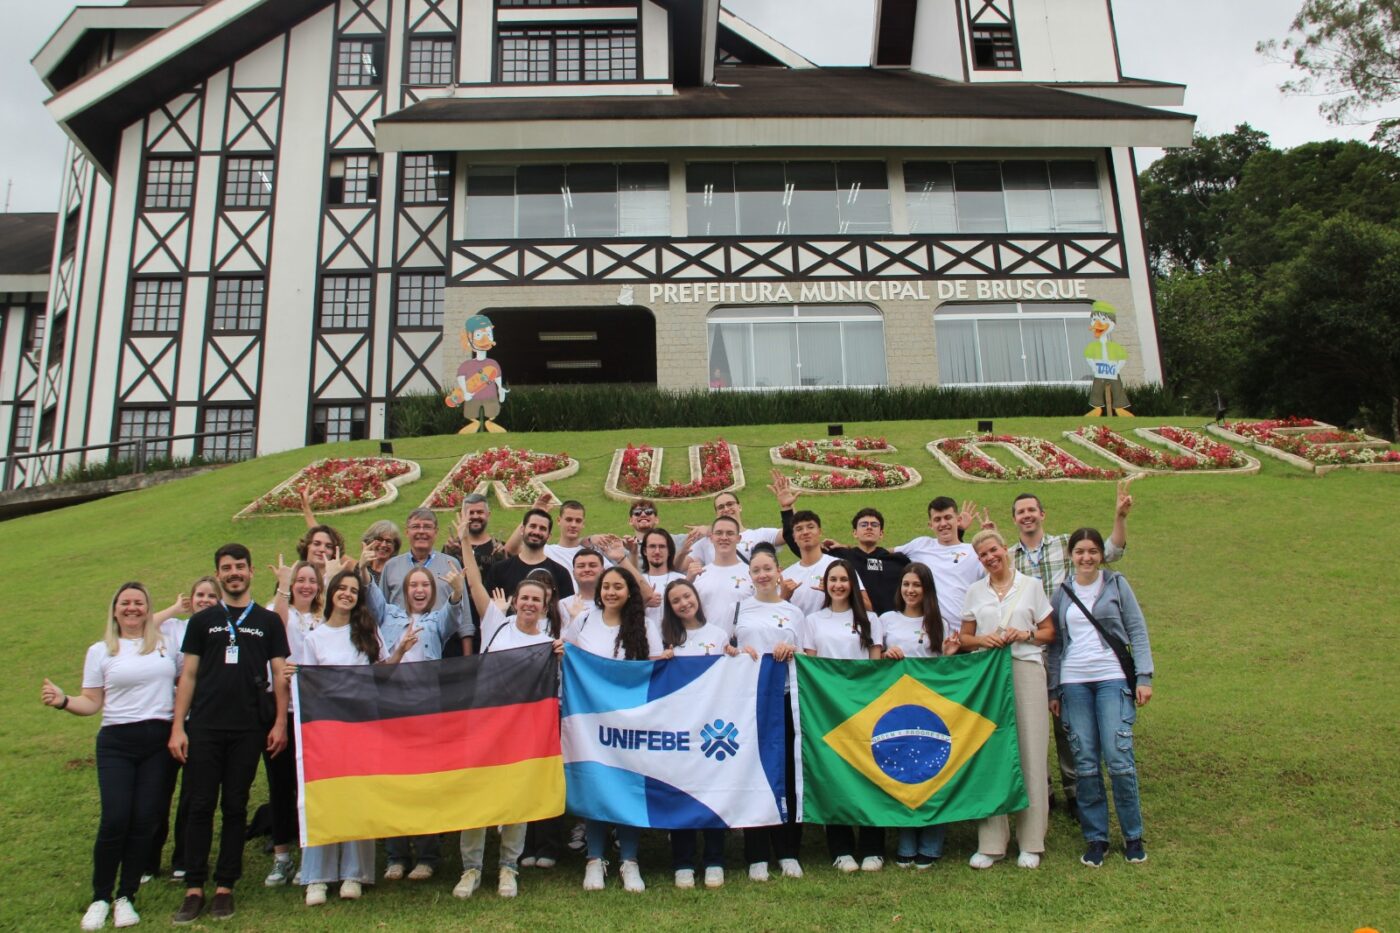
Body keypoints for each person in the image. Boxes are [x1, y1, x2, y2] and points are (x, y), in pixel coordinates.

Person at [42, 582, 179, 932]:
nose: (132, 608)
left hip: (158, 742)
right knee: (115, 818)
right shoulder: (101, 651)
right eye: (125, 603)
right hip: (117, 741)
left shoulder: (166, 644)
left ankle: (125, 897)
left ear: (148, 610)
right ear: (115, 609)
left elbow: (185, 686)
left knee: (145, 820)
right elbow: (91, 701)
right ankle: (101, 897)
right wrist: (63, 701)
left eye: (139, 603)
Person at [168, 544, 290, 924]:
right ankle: (193, 887)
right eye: (226, 568)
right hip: (204, 724)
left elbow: (279, 674)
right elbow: (188, 675)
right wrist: (178, 726)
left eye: (239, 566)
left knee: (235, 806)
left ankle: (225, 886)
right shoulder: (202, 622)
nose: (233, 573)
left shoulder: (268, 622)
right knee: (199, 805)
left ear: (251, 572)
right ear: (218, 574)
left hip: (248, 727)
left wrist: (280, 723)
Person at [1008, 483, 1132, 820]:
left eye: (1032, 510)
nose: (1027, 516)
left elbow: (1112, 551)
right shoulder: (1008, 557)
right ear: (1015, 520)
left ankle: (1076, 790)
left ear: (1042, 514)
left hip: (1066, 646)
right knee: (1030, 723)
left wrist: (1119, 518)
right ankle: (1041, 789)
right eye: (1021, 512)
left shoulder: (1065, 545)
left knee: (1067, 722)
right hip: (1028, 647)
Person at [297, 568, 419, 906]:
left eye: (353, 590)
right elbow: (307, 686)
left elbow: (381, 673)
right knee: (325, 798)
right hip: (327, 730)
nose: (348, 594)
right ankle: (318, 877)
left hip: (363, 726)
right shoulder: (314, 638)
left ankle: (354, 872)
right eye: (342, 588)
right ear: (332, 592)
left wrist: (400, 652)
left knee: (357, 797)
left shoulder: (366, 632)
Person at [453, 555, 565, 899]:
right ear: (515, 601)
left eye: (537, 599)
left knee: (516, 800)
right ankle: (471, 868)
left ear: (546, 607)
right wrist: (467, 547)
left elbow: (555, 691)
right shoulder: (496, 624)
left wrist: (559, 658)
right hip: (485, 726)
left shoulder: (549, 643)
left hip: (523, 733)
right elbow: (473, 583)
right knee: (477, 800)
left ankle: (508, 867)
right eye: (525, 598)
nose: (530, 604)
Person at [1047, 528, 1155, 868]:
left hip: (1112, 678)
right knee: (1086, 762)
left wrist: (1144, 676)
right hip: (1074, 681)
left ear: (1100, 554)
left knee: (1118, 756)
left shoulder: (1116, 584)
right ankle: (1096, 838)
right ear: (1071, 555)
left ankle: (1132, 834)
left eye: (1092, 551)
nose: (1087, 558)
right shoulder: (1062, 592)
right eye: (1080, 551)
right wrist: (1053, 689)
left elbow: (1136, 630)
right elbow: (1055, 645)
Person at [561, 568, 662, 893]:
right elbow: (567, 657)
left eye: (618, 586)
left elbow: (657, 668)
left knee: (628, 785)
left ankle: (629, 860)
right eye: (606, 586)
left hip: (632, 722)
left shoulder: (644, 625)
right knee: (597, 783)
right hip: (591, 723)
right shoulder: (584, 621)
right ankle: (594, 859)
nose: (611, 592)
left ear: (629, 591)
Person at [959, 530, 1054, 871]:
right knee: (991, 753)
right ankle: (992, 842)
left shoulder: (1030, 586)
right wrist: (982, 639)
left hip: (1025, 669)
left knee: (1031, 753)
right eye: (983, 554)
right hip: (988, 676)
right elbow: (964, 638)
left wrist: (1025, 634)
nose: (989, 557)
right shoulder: (975, 591)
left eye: (993, 550)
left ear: (1005, 550)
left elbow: (1048, 631)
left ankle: (1031, 841)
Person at [657, 579, 744, 890]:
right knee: (682, 792)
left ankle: (714, 860)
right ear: (670, 607)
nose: (683, 603)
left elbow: (731, 676)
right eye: (676, 600)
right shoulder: (664, 637)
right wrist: (660, 661)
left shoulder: (717, 635)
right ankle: (682, 862)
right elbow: (650, 676)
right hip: (678, 729)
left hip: (712, 729)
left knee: (712, 794)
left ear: (696, 597)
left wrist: (736, 656)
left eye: (687, 596)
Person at [801, 560, 885, 872]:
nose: (838, 585)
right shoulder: (813, 621)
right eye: (832, 579)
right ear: (825, 584)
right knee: (834, 777)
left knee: (869, 775)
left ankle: (873, 846)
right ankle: (841, 849)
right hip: (827, 710)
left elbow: (875, 666)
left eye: (844, 580)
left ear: (852, 584)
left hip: (863, 707)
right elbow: (810, 667)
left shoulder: (870, 620)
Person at [732, 543, 807, 883]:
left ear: (779, 573)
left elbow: (807, 654)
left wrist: (792, 649)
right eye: (756, 570)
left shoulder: (793, 613)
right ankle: (757, 854)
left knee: (788, 775)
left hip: (786, 698)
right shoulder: (739, 608)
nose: (762, 574)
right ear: (750, 576)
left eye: (768, 568)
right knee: (754, 774)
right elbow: (725, 646)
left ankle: (789, 850)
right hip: (750, 701)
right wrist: (736, 651)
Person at [879, 563, 960, 868]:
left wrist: (949, 655)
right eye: (906, 584)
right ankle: (906, 840)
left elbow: (943, 669)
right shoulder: (887, 620)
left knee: (932, 773)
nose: (910, 590)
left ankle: (932, 842)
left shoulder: (939, 621)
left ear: (926, 589)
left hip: (930, 709)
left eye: (917, 585)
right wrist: (888, 656)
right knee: (903, 772)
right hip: (897, 709)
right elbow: (876, 662)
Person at [148, 576, 220, 882]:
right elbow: (143, 624)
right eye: (200, 595)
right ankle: (148, 860)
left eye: (211, 596)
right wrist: (175, 608)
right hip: (168, 718)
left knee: (193, 795)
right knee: (157, 793)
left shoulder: (220, 630)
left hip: (201, 720)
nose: (205, 600)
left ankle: (183, 859)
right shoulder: (175, 628)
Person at [261, 558, 327, 887]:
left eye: (311, 581)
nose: (306, 586)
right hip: (282, 710)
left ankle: (308, 855)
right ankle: (281, 855)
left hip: (314, 713)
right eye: (300, 580)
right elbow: (276, 630)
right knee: (281, 785)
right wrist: (283, 588)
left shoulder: (323, 616)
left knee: (309, 786)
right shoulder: (276, 609)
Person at [896, 497, 988, 637]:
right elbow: (882, 553)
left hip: (967, 635)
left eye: (948, 517)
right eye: (937, 519)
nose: (943, 523)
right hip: (930, 637)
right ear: (930, 524)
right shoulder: (921, 545)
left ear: (958, 520)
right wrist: (850, 550)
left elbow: (1000, 577)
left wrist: (993, 536)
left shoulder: (973, 551)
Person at [443, 493, 508, 655]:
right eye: (470, 513)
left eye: (479, 512)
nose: (475, 516)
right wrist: (449, 554)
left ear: (488, 515)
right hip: (459, 620)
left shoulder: (498, 547)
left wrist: (503, 559)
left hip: (490, 617)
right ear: (462, 515)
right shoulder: (451, 547)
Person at [814, 506, 910, 615]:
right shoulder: (841, 557)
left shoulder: (897, 560)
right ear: (855, 533)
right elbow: (803, 546)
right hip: (852, 622)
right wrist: (789, 510)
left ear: (881, 533)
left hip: (890, 623)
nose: (869, 527)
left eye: (874, 525)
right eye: (863, 525)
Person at [380, 508, 464, 626]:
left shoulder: (451, 564)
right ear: (407, 532)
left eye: (427, 527)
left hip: (443, 639)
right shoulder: (391, 566)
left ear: (436, 532)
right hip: (400, 639)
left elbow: (464, 615)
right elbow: (380, 610)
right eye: (415, 526)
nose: (421, 531)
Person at [487, 509, 575, 607]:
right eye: (532, 526)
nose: (536, 532)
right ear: (522, 530)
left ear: (549, 536)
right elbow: (490, 612)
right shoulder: (499, 570)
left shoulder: (560, 573)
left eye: (542, 528)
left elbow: (568, 613)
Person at [687, 515, 753, 637]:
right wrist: (688, 582)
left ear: (739, 538)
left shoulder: (752, 574)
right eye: (719, 533)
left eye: (730, 533)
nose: (724, 537)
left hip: (742, 647)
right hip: (707, 646)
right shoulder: (698, 575)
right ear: (711, 538)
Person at [687, 490, 782, 565]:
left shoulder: (760, 535)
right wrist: (683, 549)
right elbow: (677, 565)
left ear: (739, 507)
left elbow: (790, 533)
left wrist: (787, 506)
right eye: (721, 507)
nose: (726, 509)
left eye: (730, 504)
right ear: (716, 513)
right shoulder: (707, 542)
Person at [640, 529, 685, 626]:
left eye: (662, 546)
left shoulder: (682, 580)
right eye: (652, 546)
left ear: (669, 551)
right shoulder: (637, 581)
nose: (657, 551)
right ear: (644, 551)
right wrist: (644, 604)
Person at [558, 548, 604, 626]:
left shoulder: (612, 603)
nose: (587, 569)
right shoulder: (562, 605)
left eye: (592, 565)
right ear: (573, 573)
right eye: (581, 566)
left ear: (603, 571)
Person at [358, 520, 402, 587]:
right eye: (379, 539)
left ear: (395, 547)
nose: (383, 545)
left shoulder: (398, 573)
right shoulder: (360, 568)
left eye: (388, 541)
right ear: (370, 541)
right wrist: (362, 568)